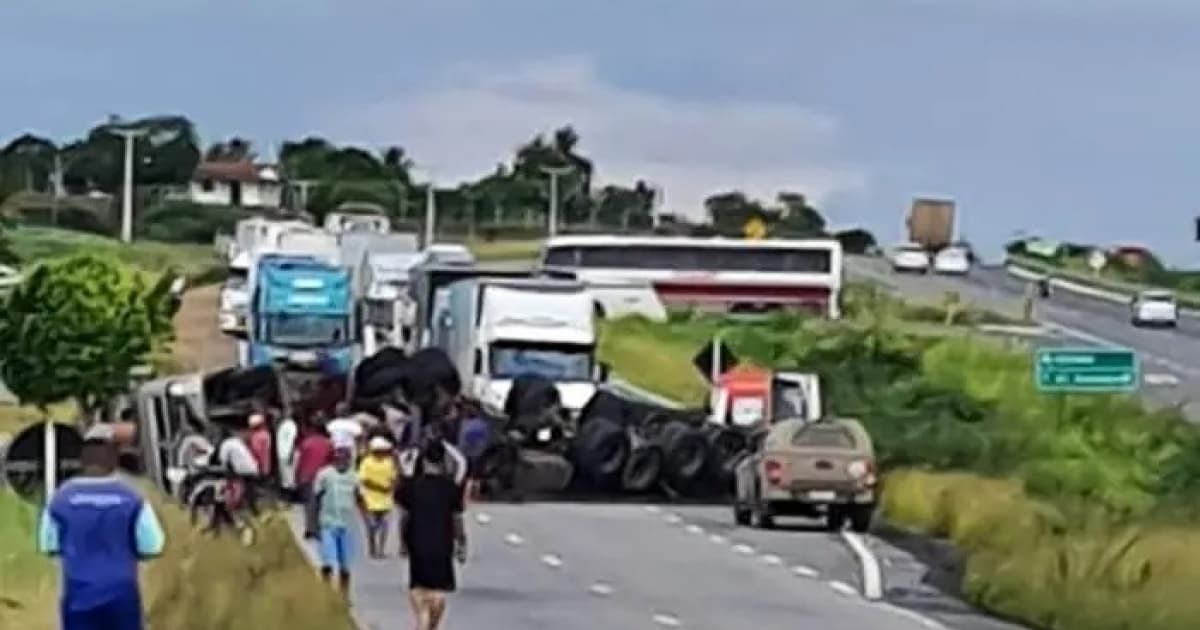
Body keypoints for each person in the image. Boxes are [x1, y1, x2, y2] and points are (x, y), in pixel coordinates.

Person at [38, 424, 166, 630]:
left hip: (78, 595)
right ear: (113, 461)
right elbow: (152, 546)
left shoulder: (60, 498)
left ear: (82, 461)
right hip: (122, 595)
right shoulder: (132, 497)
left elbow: (48, 546)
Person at [398, 428, 468, 630]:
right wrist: (462, 542)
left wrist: (403, 541)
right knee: (438, 591)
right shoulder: (450, 488)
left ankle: (422, 620)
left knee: (418, 588)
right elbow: (457, 519)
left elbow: (404, 517)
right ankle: (430, 625)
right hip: (443, 543)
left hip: (417, 542)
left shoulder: (411, 487)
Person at [314, 445, 360, 597]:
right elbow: (316, 497)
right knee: (327, 561)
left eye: (345, 459)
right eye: (338, 459)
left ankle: (344, 594)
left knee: (345, 564)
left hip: (346, 524)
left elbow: (360, 498)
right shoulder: (325, 475)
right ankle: (324, 592)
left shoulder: (354, 477)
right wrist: (313, 522)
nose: (341, 462)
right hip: (328, 522)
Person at [358, 436, 398, 558]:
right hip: (370, 499)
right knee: (372, 526)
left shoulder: (389, 462)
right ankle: (372, 548)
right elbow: (365, 480)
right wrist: (381, 487)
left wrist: (392, 487)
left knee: (385, 526)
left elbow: (393, 477)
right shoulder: (366, 462)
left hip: (386, 500)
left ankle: (381, 549)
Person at [296, 420, 334, 539]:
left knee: (309, 503)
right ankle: (317, 528)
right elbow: (332, 461)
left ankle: (310, 528)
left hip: (306, 476)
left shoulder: (306, 443)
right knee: (321, 503)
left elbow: (299, 461)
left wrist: (297, 476)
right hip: (323, 477)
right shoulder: (328, 444)